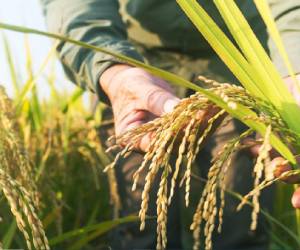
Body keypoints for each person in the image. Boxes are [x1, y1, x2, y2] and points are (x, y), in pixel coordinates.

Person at [41, 0, 300, 249]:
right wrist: (112, 70)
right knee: (140, 225)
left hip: (238, 61)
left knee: (240, 224)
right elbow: (74, 5)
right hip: (135, 59)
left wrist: (295, 72)